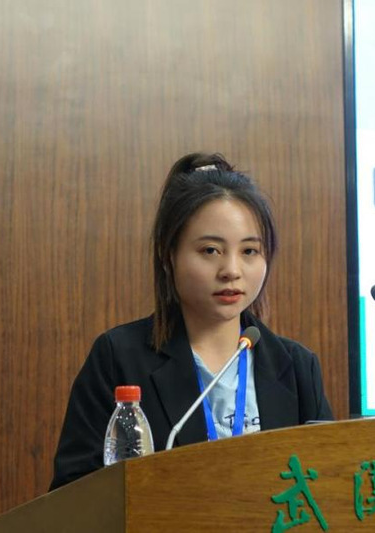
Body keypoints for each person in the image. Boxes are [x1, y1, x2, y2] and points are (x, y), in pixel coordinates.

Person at [49, 152, 333, 490]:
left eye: (249, 251)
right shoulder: (119, 358)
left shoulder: (297, 366)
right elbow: (74, 494)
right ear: (168, 255)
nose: (231, 270)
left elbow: (328, 488)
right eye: (210, 250)